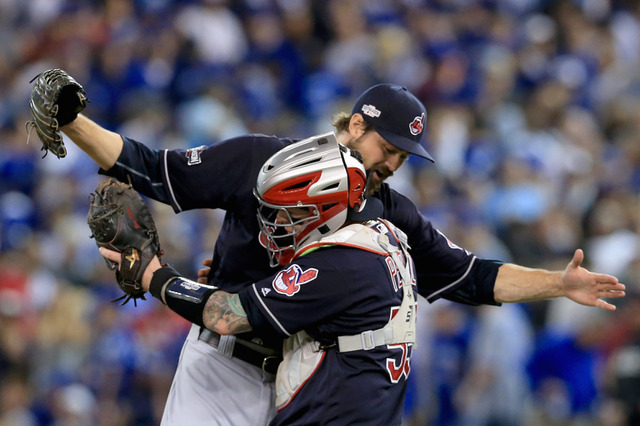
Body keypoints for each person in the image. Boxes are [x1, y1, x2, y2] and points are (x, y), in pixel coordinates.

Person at [42, 73, 625, 425]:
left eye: (404, 155)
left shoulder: (387, 209)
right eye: (387, 145)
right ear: (353, 125)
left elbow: (468, 276)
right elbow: (150, 167)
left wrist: (557, 283)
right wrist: (72, 121)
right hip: (226, 362)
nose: (393, 161)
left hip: (310, 378)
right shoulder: (261, 160)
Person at [99, 137, 418, 425]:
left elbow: (225, 314)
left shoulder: (338, 265)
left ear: (328, 211)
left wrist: (153, 275)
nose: (277, 222)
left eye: (292, 213)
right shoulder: (382, 239)